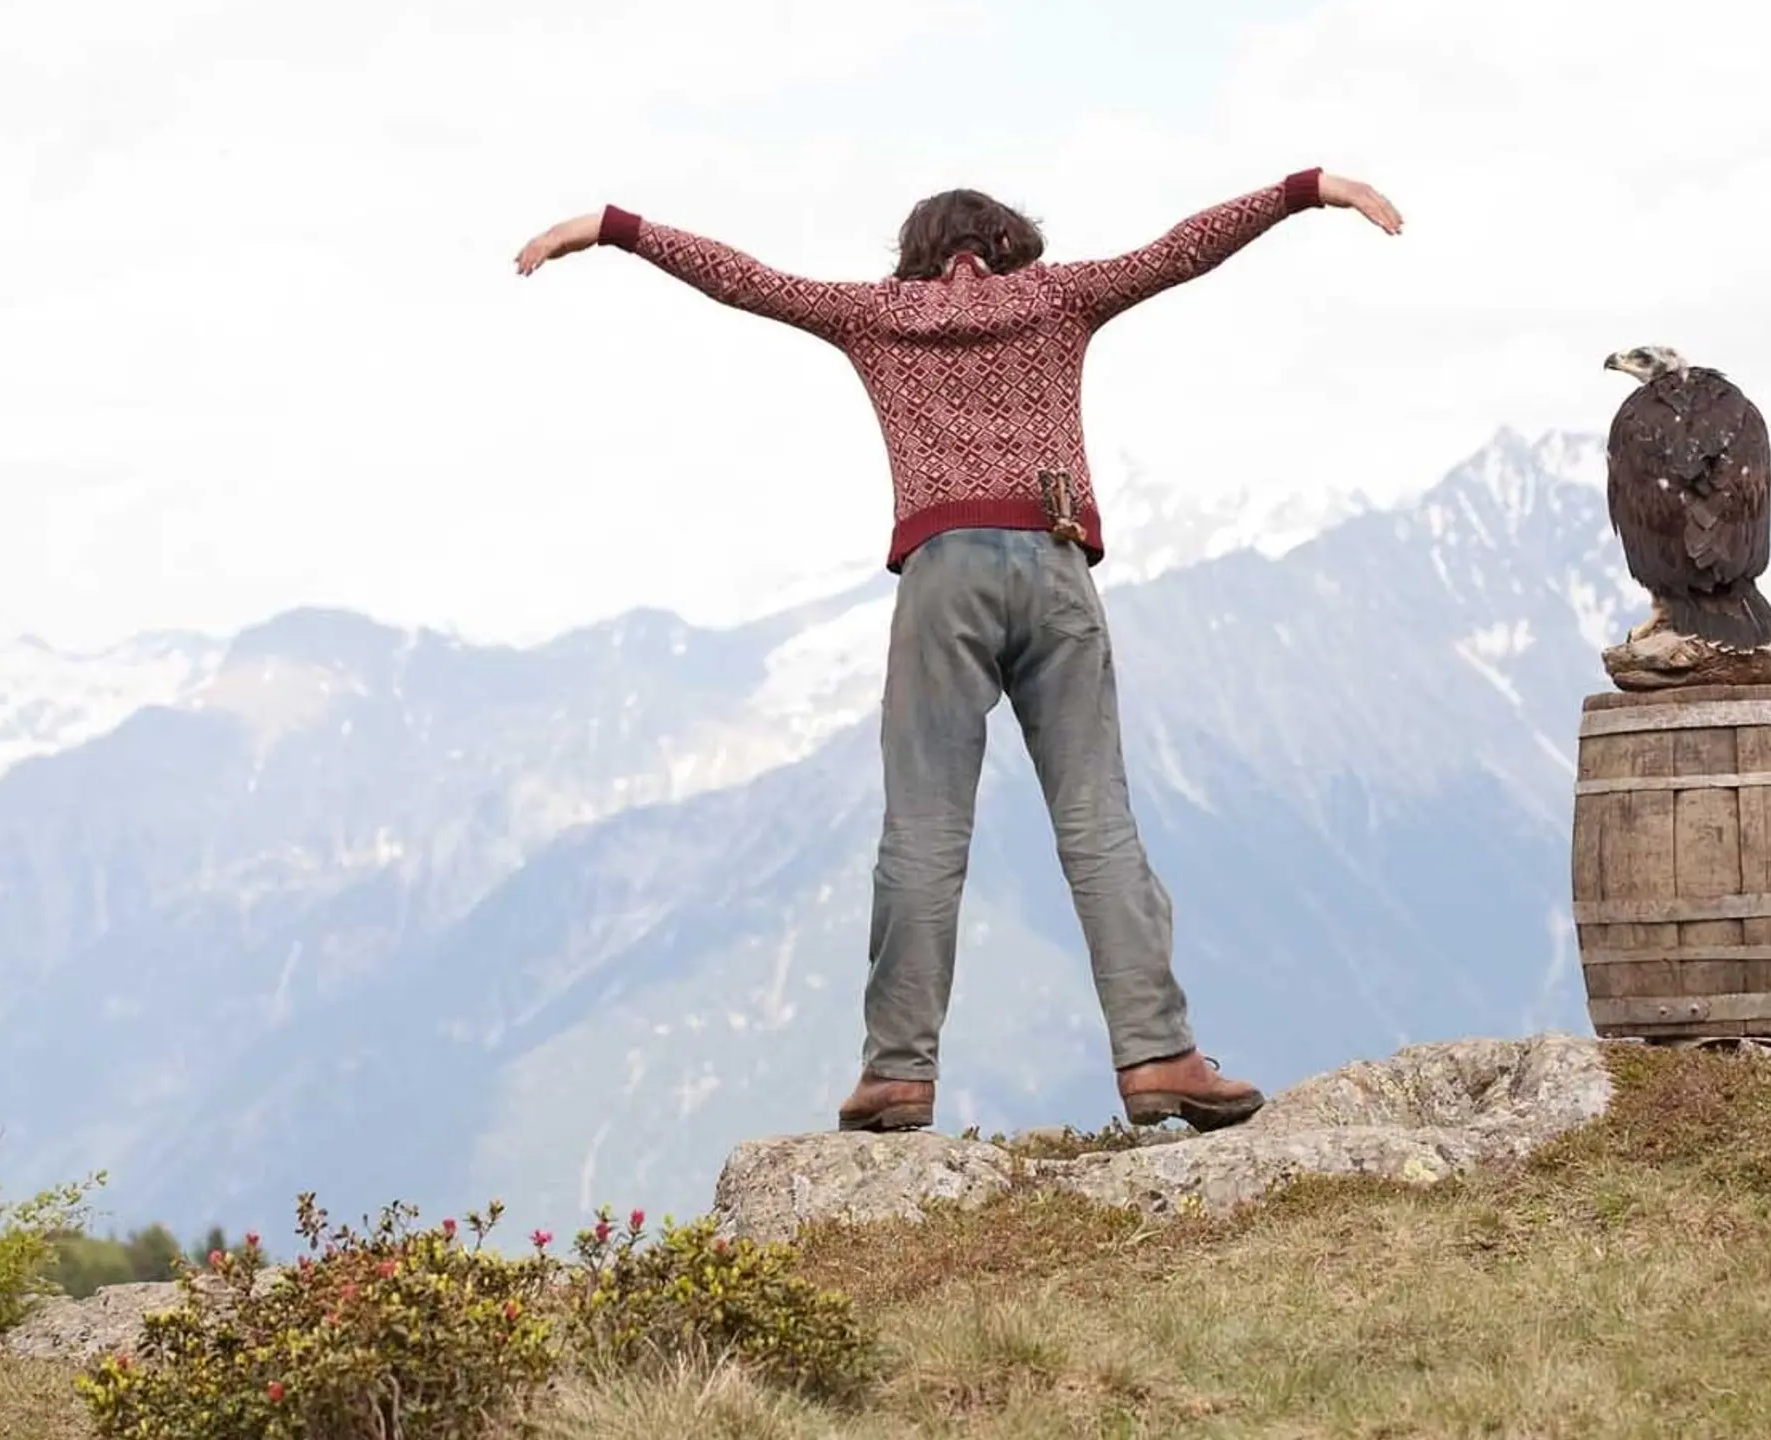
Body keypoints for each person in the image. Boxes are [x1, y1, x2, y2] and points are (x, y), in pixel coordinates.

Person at [515, 167, 1403, 1134]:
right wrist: (1307, 190)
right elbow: (1182, 251)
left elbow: (746, 279)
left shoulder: (877, 316)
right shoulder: (1059, 298)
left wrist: (614, 226)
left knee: (923, 833)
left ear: (916, 258)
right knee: (1097, 822)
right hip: (1058, 566)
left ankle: (898, 1072)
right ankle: (1158, 1055)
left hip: (941, 578)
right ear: (1019, 247)